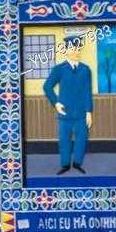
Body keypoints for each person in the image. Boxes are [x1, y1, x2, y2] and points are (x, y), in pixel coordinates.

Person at [42, 36, 94, 175]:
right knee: (64, 141)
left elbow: (87, 92)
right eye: (72, 49)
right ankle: (65, 165)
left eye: (78, 48)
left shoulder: (86, 69)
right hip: (65, 114)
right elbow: (47, 87)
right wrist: (56, 103)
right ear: (65, 51)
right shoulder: (59, 69)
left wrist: (89, 112)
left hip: (82, 114)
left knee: (81, 139)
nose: (75, 51)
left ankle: (77, 163)